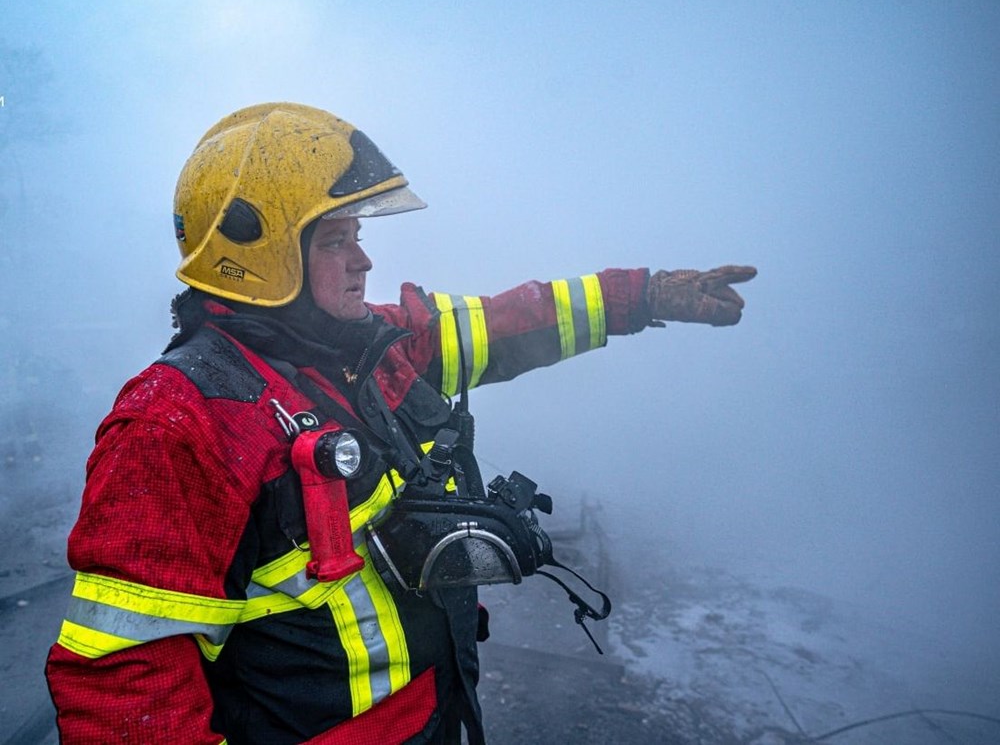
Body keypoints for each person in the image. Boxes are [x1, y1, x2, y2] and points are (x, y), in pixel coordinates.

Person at [45, 102, 756, 744]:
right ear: (259, 255)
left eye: (357, 236)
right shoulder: (178, 423)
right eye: (334, 241)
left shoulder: (364, 353)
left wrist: (643, 296)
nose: (364, 260)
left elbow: (505, 324)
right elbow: (124, 691)